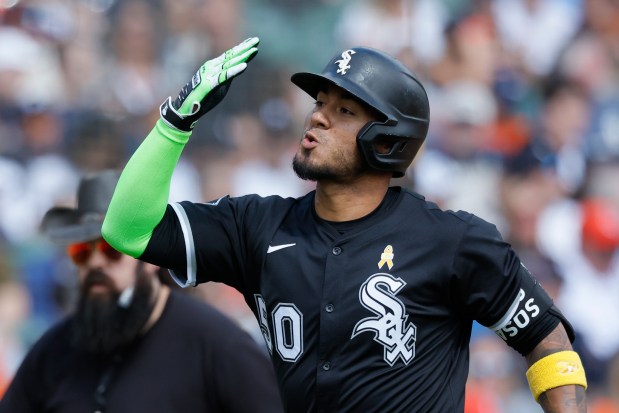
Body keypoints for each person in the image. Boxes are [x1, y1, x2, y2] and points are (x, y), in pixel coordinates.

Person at [101, 37, 588, 412]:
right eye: (319, 103)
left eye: (344, 111)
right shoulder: (257, 225)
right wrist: (173, 124)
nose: (317, 118)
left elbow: (546, 340)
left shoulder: (452, 240)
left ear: (388, 140)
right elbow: (128, 231)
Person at [0, 169, 284, 413]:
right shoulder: (54, 349)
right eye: (82, 251)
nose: (96, 263)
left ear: (151, 258)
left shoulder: (219, 347)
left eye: (113, 250)